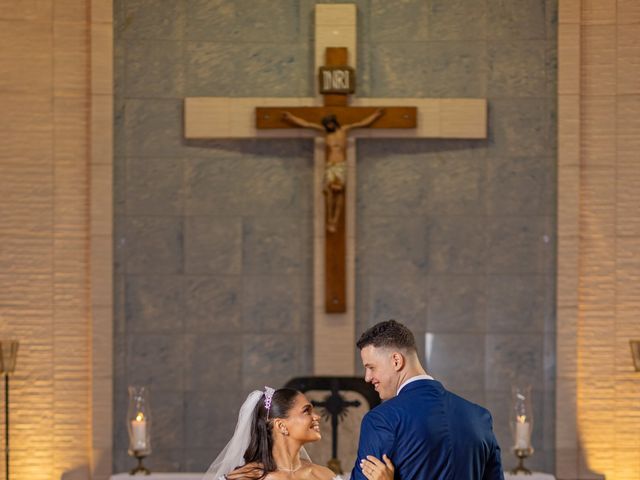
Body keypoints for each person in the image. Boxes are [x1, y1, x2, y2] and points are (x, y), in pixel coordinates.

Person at [354, 320, 504, 480]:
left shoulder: (381, 419)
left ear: (396, 361)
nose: (367, 377)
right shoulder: (480, 417)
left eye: (371, 367)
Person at [203, 387, 394, 480]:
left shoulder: (323, 476)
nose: (317, 417)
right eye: (307, 411)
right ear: (281, 425)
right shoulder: (245, 478)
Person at [282, 110, 384, 233]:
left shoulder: (344, 130)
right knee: (329, 192)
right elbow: (306, 124)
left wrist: (375, 115)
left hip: (341, 165)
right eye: (327, 124)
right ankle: (329, 218)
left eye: (330, 123)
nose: (329, 126)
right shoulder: (325, 132)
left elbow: (362, 123)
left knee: (339, 191)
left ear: (334, 122)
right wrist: (291, 117)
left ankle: (335, 219)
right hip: (330, 164)